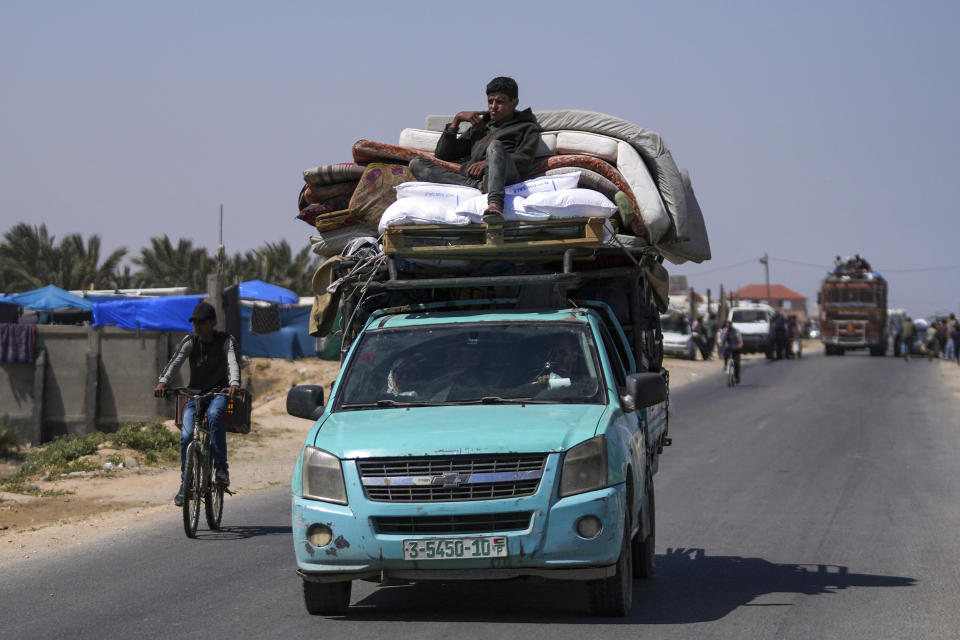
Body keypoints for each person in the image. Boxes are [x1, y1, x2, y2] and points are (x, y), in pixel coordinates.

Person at [408, 76, 541, 225]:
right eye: (490, 101)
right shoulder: (481, 126)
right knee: (417, 164)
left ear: (514, 102)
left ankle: (495, 204)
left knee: (495, 146)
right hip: (473, 179)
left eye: (500, 101)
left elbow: (524, 159)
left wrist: (488, 162)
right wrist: (456, 120)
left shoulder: (527, 127)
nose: (493, 106)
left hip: (505, 175)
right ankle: (478, 186)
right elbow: (444, 155)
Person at [153, 301, 241, 506]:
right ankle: (186, 484)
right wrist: (163, 382)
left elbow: (233, 362)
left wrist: (234, 383)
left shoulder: (225, 340)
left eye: (202, 322)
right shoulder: (190, 342)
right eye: (195, 323)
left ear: (212, 322)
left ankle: (220, 469)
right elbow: (175, 362)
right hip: (194, 396)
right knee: (185, 435)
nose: (197, 327)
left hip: (219, 393)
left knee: (215, 416)